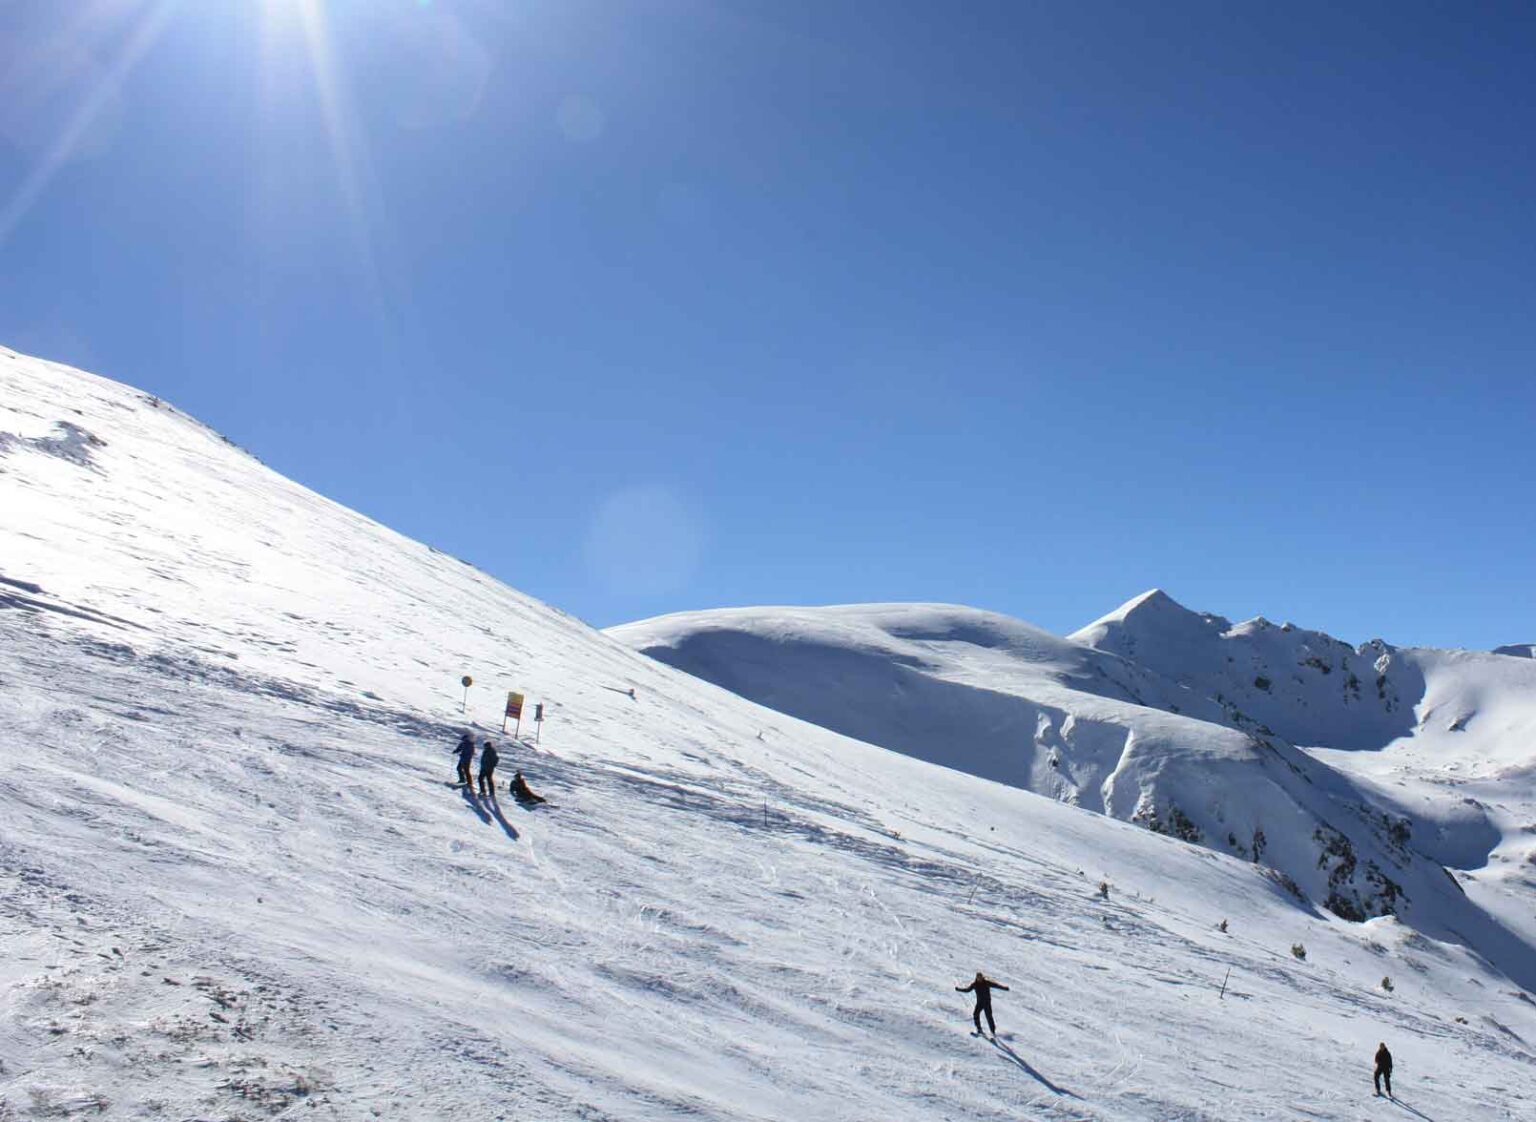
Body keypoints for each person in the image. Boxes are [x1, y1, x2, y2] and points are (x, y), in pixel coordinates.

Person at [956, 971, 1009, 1036]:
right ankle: (979, 1029)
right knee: (975, 1014)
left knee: (989, 1016)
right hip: (980, 1003)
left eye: (980, 977)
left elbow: (996, 985)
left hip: (987, 1002)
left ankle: (993, 1032)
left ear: (982, 977)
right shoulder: (974, 984)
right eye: (978, 977)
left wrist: (1004, 988)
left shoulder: (986, 982)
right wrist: (959, 989)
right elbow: (967, 990)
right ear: (976, 978)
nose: (979, 978)